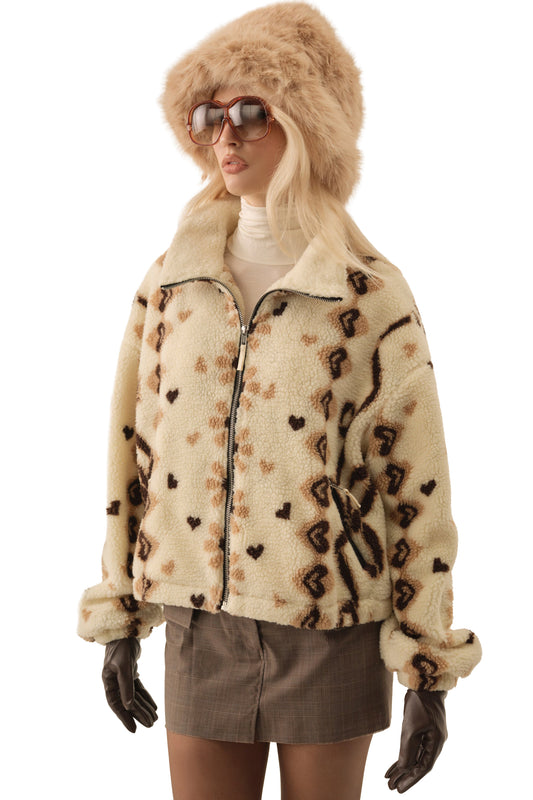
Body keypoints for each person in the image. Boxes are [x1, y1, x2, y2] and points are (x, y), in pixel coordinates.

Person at [77, 3, 482, 798]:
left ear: (306, 125)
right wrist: (120, 612)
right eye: (207, 115)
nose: (224, 136)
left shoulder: (368, 294)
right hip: (199, 621)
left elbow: (415, 484)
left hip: (331, 626)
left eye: (250, 112)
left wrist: (426, 663)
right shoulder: (172, 283)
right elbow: (132, 448)